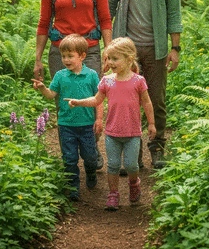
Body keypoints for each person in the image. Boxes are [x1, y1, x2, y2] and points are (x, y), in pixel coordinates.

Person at [107, 0, 183, 169]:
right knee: (126, 101)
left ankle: (157, 147)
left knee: (156, 100)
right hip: (126, 52)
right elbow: (108, 7)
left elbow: (174, 13)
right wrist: (108, 47)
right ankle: (132, 155)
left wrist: (175, 48)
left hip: (157, 49)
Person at [34, 0, 112, 169]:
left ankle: (91, 149)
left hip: (90, 50)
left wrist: (108, 48)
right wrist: (37, 57)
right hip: (60, 51)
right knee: (64, 104)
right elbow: (43, 21)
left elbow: (106, 19)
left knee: (93, 98)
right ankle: (68, 158)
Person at [66, 37, 156, 211]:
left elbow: (147, 102)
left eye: (115, 59)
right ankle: (113, 194)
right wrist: (78, 102)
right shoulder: (107, 81)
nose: (111, 62)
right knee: (113, 165)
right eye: (108, 58)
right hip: (112, 133)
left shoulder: (138, 81)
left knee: (131, 165)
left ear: (129, 59)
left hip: (132, 133)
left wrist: (151, 124)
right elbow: (96, 100)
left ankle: (134, 183)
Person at [32, 34, 103, 202]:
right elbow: (51, 95)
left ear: (82, 56)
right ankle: (73, 187)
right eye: (63, 56)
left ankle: (91, 172)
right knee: (69, 158)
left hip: (86, 125)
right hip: (66, 125)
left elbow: (99, 100)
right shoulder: (60, 76)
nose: (66, 59)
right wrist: (42, 88)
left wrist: (99, 119)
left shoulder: (92, 75)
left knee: (91, 157)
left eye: (70, 56)